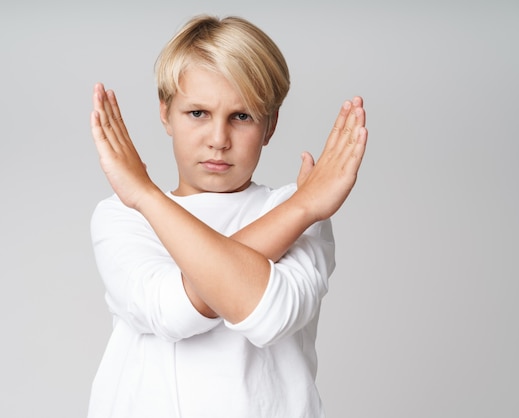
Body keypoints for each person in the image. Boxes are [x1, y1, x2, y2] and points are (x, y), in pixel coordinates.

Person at [87, 15, 367, 418]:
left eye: (242, 116)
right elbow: (172, 311)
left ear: (270, 126)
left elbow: (267, 314)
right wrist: (145, 197)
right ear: (165, 114)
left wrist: (303, 209)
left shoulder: (299, 210)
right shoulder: (124, 215)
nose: (218, 140)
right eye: (197, 113)